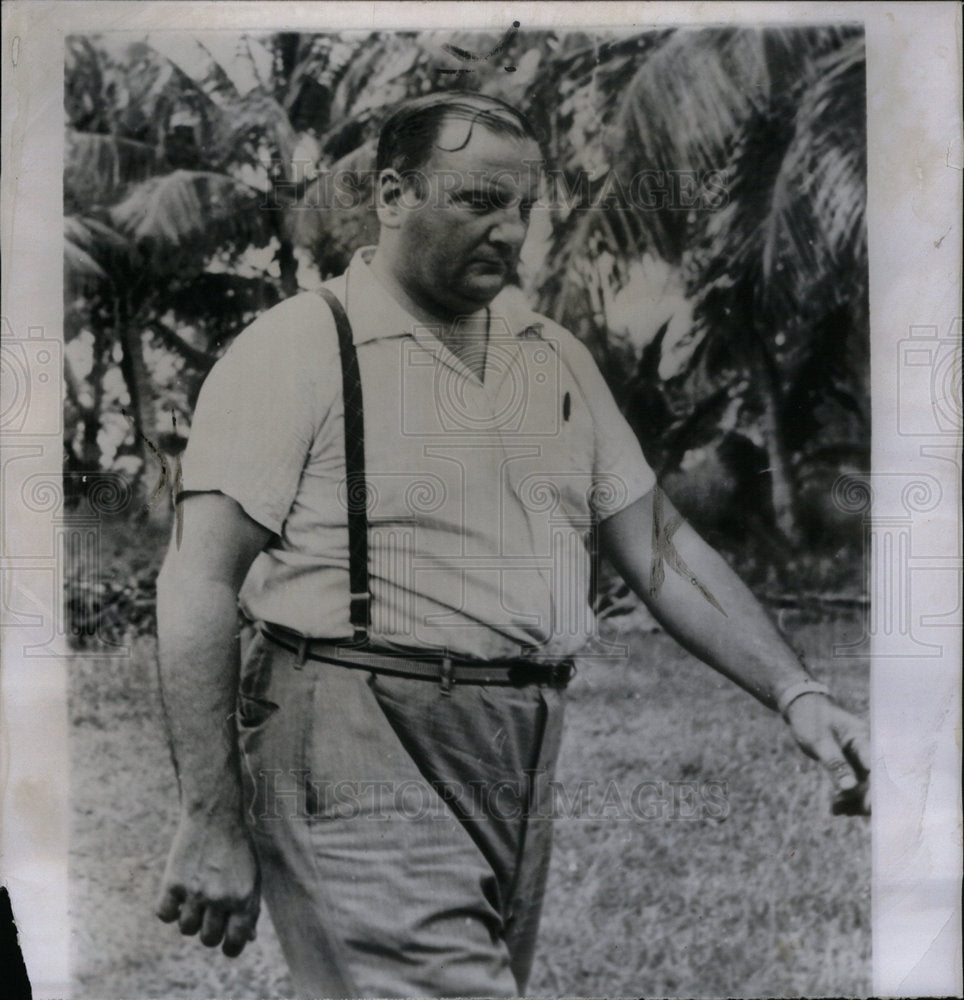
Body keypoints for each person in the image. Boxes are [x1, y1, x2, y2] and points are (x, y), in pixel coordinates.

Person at [154, 91, 869, 998]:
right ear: (391, 192)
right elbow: (198, 579)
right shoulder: (299, 346)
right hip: (350, 733)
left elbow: (658, 544)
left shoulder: (551, 355)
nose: (509, 230)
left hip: (519, 748)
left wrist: (798, 694)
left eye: (524, 207)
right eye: (478, 201)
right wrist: (211, 815)